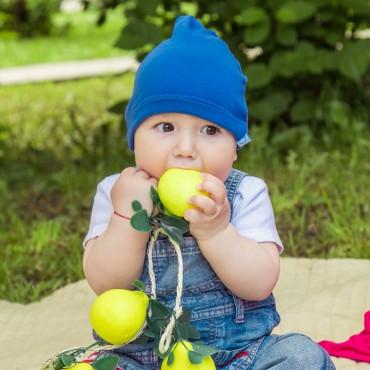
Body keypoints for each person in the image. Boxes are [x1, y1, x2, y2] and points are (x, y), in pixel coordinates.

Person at [82, 15, 335, 370]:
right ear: (134, 137)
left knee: (302, 356)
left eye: (210, 130)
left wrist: (217, 232)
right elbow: (105, 284)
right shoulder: (117, 192)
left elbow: (259, 284)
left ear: (235, 147)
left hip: (238, 356)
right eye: (165, 126)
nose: (186, 149)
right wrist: (128, 218)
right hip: (139, 359)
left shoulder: (245, 192)